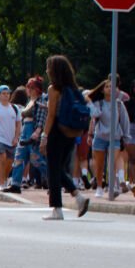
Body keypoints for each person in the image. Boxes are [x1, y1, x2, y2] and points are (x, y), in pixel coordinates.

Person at [39, 55, 91, 220]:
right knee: (58, 169)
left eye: (48, 68)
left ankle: (57, 209)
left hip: (57, 131)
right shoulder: (74, 89)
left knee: (52, 171)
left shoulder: (54, 89)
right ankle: (78, 197)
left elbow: (51, 115)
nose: (47, 71)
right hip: (71, 132)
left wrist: (44, 136)